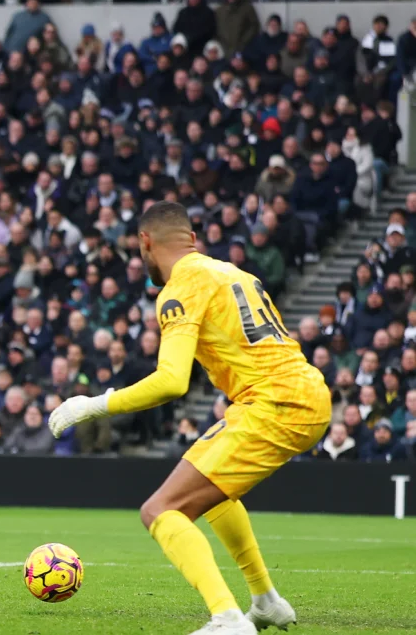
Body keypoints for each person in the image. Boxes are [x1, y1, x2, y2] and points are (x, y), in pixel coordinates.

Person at [50, 202, 330, 635]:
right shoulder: (234, 273)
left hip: (274, 402)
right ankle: (266, 601)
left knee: (160, 509)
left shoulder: (181, 286)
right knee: (213, 490)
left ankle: (227, 618)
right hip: (303, 391)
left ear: (145, 242)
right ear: (192, 239)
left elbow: (171, 381)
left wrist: (92, 404)